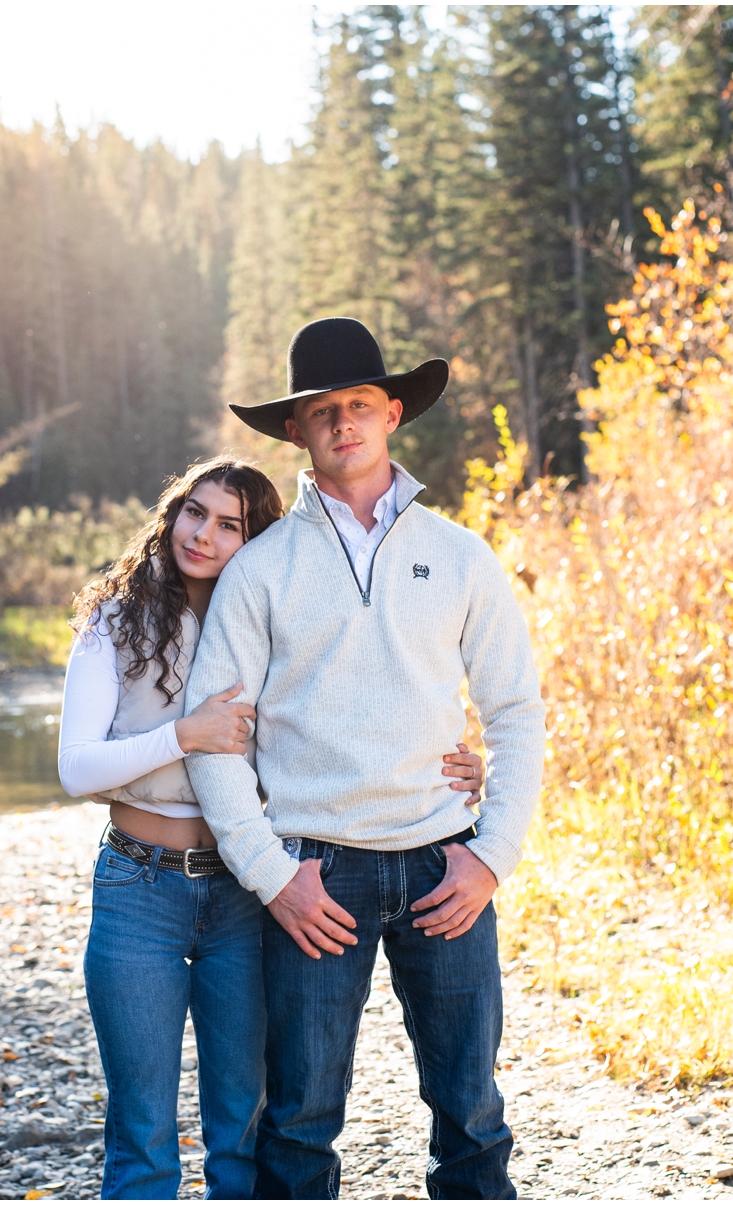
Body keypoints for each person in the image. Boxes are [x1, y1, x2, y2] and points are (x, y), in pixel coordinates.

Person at [182, 318, 547, 1200]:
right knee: (299, 1123)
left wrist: (492, 855)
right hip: (316, 873)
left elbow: (515, 711)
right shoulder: (260, 570)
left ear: (391, 413)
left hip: (443, 865)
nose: (342, 421)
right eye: (322, 411)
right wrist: (272, 874)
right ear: (296, 431)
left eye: (358, 404)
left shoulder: (459, 556)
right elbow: (216, 737)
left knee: (472, 1116)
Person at [57, 456, 488, 1200]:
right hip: (139, 887)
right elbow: (76, 767)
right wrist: (184, 735)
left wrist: (446, 764)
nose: (203, 534)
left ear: (255, 541)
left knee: (242, 1126)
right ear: (172, 514)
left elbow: (344, 715)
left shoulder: (275, 615)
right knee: (142, 1128)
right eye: (194, 512)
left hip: (242, 890)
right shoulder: (116, 621)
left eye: (229, 525)